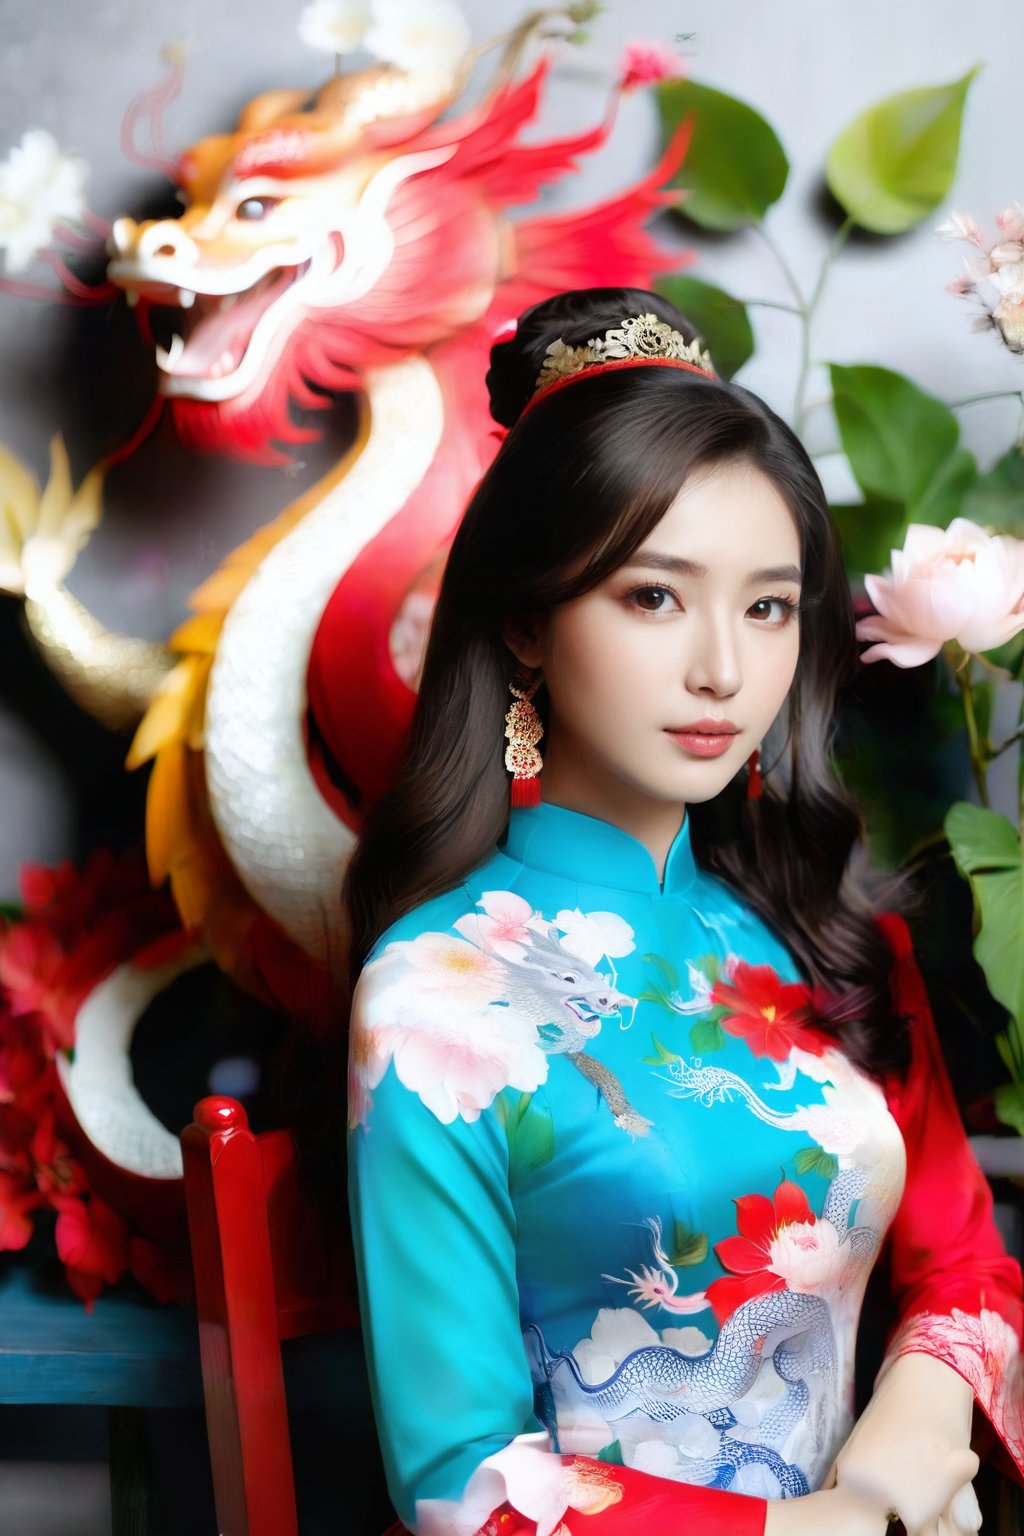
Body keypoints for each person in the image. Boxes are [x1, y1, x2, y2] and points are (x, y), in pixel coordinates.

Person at [341, 287, 1024, 1536]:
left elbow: (966, 1264)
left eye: (767, 606)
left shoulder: (833, 944)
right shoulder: (435, 996)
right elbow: (457, 1476)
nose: (724, 666)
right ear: (526, 622)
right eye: (654, 596)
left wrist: (913, 1422)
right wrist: (804, 1530)